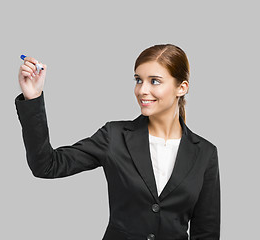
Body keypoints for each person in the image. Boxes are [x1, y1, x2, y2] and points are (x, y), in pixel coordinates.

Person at [15, 44, 221, 240]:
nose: (142, 90)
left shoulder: (205, 153)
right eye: (138, 80)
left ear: (181, 88)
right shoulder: (114, 136)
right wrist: (33, 97)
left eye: (155, 81)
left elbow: (206, 232)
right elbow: (47, 165)